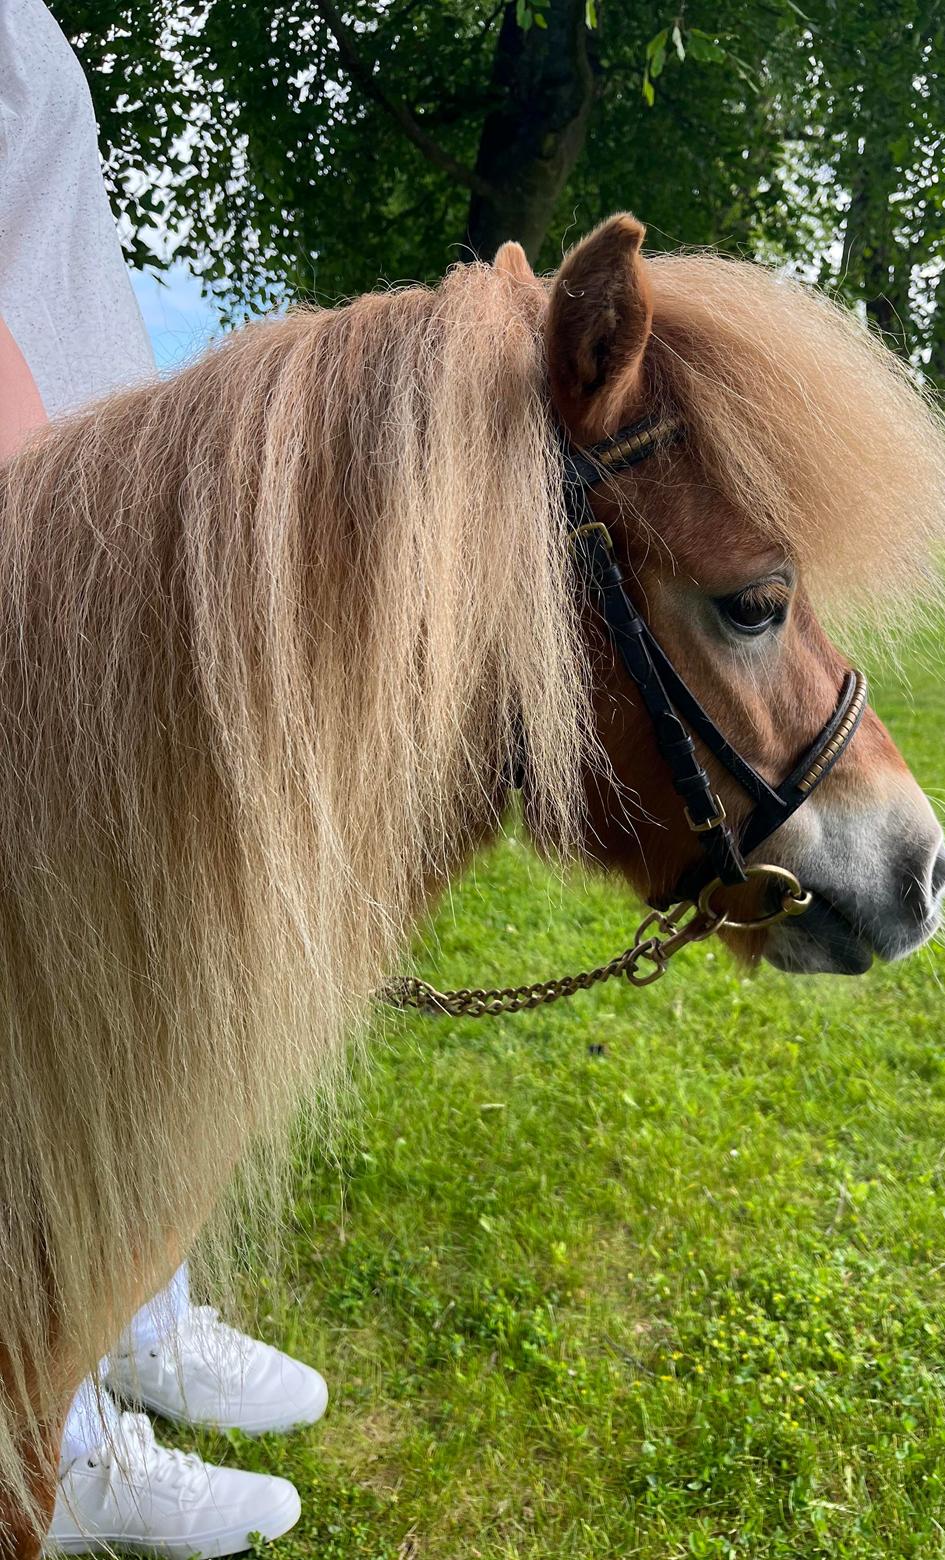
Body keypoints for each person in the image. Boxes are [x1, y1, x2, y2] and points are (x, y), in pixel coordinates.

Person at [1, 2, 324, 1552]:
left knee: (140, 970)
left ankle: (134, 1324)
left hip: (90, 498)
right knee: (65, 996)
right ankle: (49, 1442)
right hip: (40, 540)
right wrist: (47, 529)